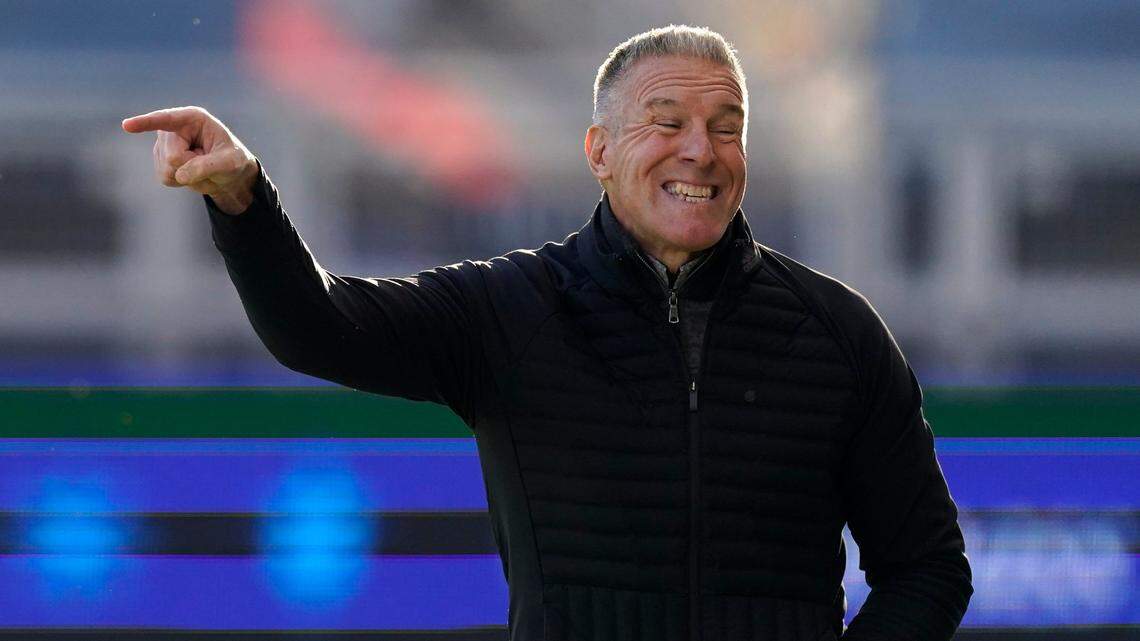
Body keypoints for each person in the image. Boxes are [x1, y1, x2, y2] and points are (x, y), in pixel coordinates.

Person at [122, 24, 971, 641]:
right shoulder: (511, 308)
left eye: (725, 128)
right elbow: (318, 327)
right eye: (665, 122)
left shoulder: (839, 333)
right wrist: (243, 202)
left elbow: (929, 568)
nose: (700, 152)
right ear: (599, 151)